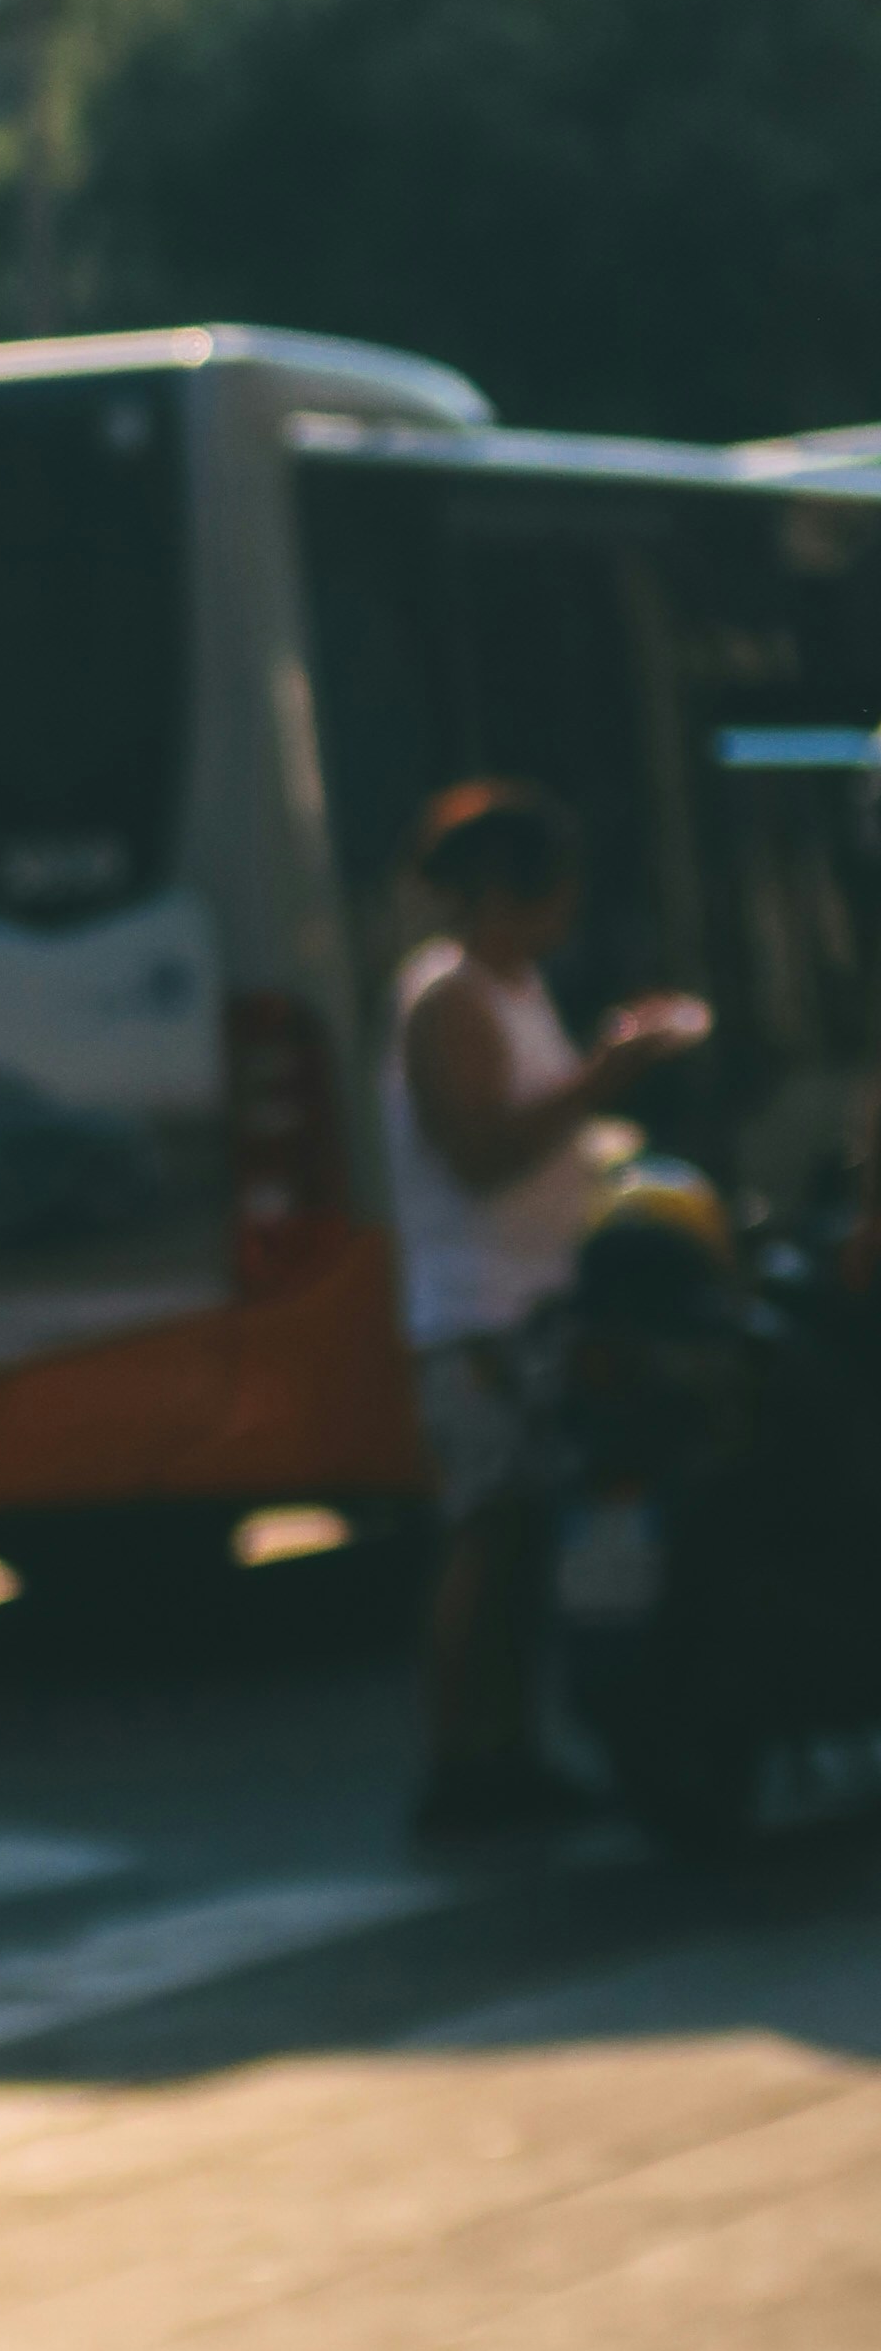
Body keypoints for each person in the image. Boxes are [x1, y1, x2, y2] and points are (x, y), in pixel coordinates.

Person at [382, 780, 712, 1836]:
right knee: (485, 1530)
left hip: (541, 1294)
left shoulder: (512, 987)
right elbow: (478, 1153)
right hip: (480, 1311)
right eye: (554, 889)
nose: (570, 909)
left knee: (529, 1536)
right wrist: (603, 1079)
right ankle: (456, 1762)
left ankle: (510, 1753)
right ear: (502, 894)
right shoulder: (447, 1000)